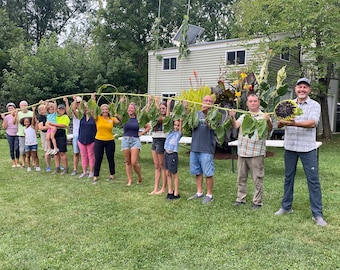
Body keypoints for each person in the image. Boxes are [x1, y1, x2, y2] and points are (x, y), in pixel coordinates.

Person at [274, 78, 327, 226]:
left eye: (305, 87)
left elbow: (312, 123)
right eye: (299, 87)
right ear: (296, 89)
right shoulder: (288, 104)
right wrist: (281, 121)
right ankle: (286, 207)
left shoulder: (314, 105)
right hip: (290, 147)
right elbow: (279, 123)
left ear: (309, 90)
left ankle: (317, 214)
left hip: (307, 148)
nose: (302, 89)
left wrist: (294, 123)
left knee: (313, 180)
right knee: (288, 178)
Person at [229, 94, 273, 209]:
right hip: (242, 152)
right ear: (247, 103)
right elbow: (235, 126)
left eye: (255, 101)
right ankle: (240, 199)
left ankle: (257, 202)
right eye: (250, 101)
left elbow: (270, 128)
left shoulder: (264, 116)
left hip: (256, 153)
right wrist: (232, 117)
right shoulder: (244, 116)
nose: (252, 103)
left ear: (258, 102)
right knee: (241, 177)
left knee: (257, 178)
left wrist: (268, 121)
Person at [187, 95, 216, 204]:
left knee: (208, 172)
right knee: (197, 171)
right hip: (195, 147)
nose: (208, 102)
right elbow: (191, 126)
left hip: (207, 149)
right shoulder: (196, 114)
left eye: (210, 101)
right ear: (202, 102)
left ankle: (209, 194)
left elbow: (212, 127)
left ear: (212, 104)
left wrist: (206, 114)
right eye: (206, 100)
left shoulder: (214, 115)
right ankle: (199, 192)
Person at [91, 94, 121, 184]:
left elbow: (119, 121)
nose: (104, 111)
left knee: (110, 158)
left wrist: (119, 105)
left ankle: (112, 174)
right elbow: (92, 111)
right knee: (98, 158)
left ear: (108, 111)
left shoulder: (112, 119)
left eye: (106, 109)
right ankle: (95, 175)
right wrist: (93, 99)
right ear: (101, 110)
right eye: (103, 109)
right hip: (99, 140)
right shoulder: (98, 118)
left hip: (110, 140)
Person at [121, 101, 151, 186]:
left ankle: (139, 177)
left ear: (135, 110)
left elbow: (148, 127)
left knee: (134, 162)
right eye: (129, 108)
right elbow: (117, 113)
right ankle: (130, 180)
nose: (130, 109)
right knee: (127, 161)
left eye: (132, 108)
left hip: (135, 140)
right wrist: (121, 101)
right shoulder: (125, 118)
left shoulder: (138, 118)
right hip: (125, 140)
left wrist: (141, 133)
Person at [147, 96, 168, 195]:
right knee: (156, 165)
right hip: (154, 140)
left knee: (162, 165)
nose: (161, 110)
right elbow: (146, 114)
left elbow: (160, 118)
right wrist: (150, 102)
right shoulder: (154, 115)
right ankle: (156, 187)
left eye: (163, 108)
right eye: (160, 108)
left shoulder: (166, 118)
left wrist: (156, 103)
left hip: (162, 140)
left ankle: (163, 188)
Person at [164, 99, 183, 200]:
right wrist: (168, 104)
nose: (176, 127)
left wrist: (183, 108)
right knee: (167, 173)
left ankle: (176, 192)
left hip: (173, 155)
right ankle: (169, 191)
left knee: (174, 173)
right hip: (166, 153)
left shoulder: (178, 134)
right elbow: (167, 118)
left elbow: (181, 120)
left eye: (178, 125)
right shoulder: (170, 131)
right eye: (175, 125)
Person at [77, 101, 96, 178]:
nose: (86, 109)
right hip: (81, 139)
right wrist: (75, 100)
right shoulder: (81, 117)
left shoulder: (94, 117)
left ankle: (91, 171)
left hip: (91, 139)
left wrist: (93, 98)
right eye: (85, 108)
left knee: (91, 155)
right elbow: (74, 110)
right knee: (83, 156)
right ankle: (84, 172)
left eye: (88, 108)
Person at [50, 102, 70, 175]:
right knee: (56, 152)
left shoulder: (65, 117)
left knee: (62, 152)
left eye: (62, 109)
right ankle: (57, 167)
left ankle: (66, 168)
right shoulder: (54, 116)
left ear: (64, 110)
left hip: (61, 134)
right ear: (57, 110)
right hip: (54, 134)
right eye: (59, 109)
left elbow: (64, 125)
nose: (61, 110)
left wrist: (53, 124)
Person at [13, 100, 33, 168]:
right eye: (22, 105)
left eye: (25, 105)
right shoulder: (18, 113)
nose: (23, 106)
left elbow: (35, 122)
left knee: (31, 149)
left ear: (27, 106)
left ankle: (32, 162)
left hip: (30, 134)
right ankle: (24, 163)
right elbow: (14, 122)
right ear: (20, 106)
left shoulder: (31, 113)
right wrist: (16, 114)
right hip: (21, 134)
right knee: (22, 150)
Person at [20, 106, 41, 172]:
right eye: (25, 122)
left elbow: (33, 120)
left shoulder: (32, 127)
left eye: (27, 122)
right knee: (28, 155)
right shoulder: (24, 130)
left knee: (35, 155)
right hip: (27, 144)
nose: (26, 123)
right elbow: (26, 137)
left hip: (34, 143)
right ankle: (28, 166)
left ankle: (37, 166)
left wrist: (33, 110)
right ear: (23, 123)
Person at [65, 96, 82, 176]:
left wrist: (75, 100)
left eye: (79, 102)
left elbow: (77, 114)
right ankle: (75, 169)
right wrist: (67, 102)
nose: (77, 104)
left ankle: (86, 168)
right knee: (76, 153)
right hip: (76, 134)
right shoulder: (73, 110)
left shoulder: (83, 112)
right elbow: (68, 112)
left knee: (84, 153)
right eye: (77, 102)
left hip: (83, 134)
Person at [1, 102, 20, 167]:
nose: (10, 109)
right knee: (11, 148)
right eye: (9, 108)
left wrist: (16, 114)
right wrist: (4, 119)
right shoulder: (7, 117)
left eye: (12, 108)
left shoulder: (18, 114)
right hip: (9, 134)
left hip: (17, 133)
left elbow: (15, 122)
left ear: (15, 108)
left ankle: (17, 162)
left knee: (17, 148)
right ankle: (13, 162)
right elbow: (4, 127)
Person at [37, 103, 52, 172]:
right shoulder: (41, 117)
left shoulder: (50, 115)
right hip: (45, 134)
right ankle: (48, 166)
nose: (43, 110)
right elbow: (41, 127)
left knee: (54, 150)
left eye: (44, 108)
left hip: (52, 133)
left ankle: (58, 165)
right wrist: (50, 126)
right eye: (41, 109)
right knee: (47, 150)